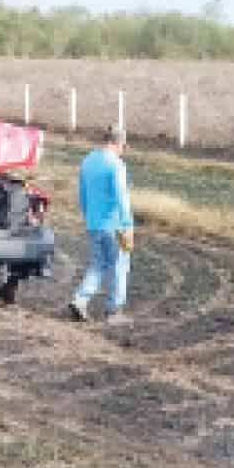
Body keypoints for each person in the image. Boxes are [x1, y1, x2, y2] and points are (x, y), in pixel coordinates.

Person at [68, 124, 135, 325]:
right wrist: (127, 224)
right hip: (114, 225)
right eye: (124, 145)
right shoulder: (115, 164)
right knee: (120, 265)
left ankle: (79, 300)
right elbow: (121, 196)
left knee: (98, 264)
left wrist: (88, 216)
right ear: (118, 143)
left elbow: (82, 193)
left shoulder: (88, 161)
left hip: (94, 223)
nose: (124, 150)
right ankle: (114, 311)